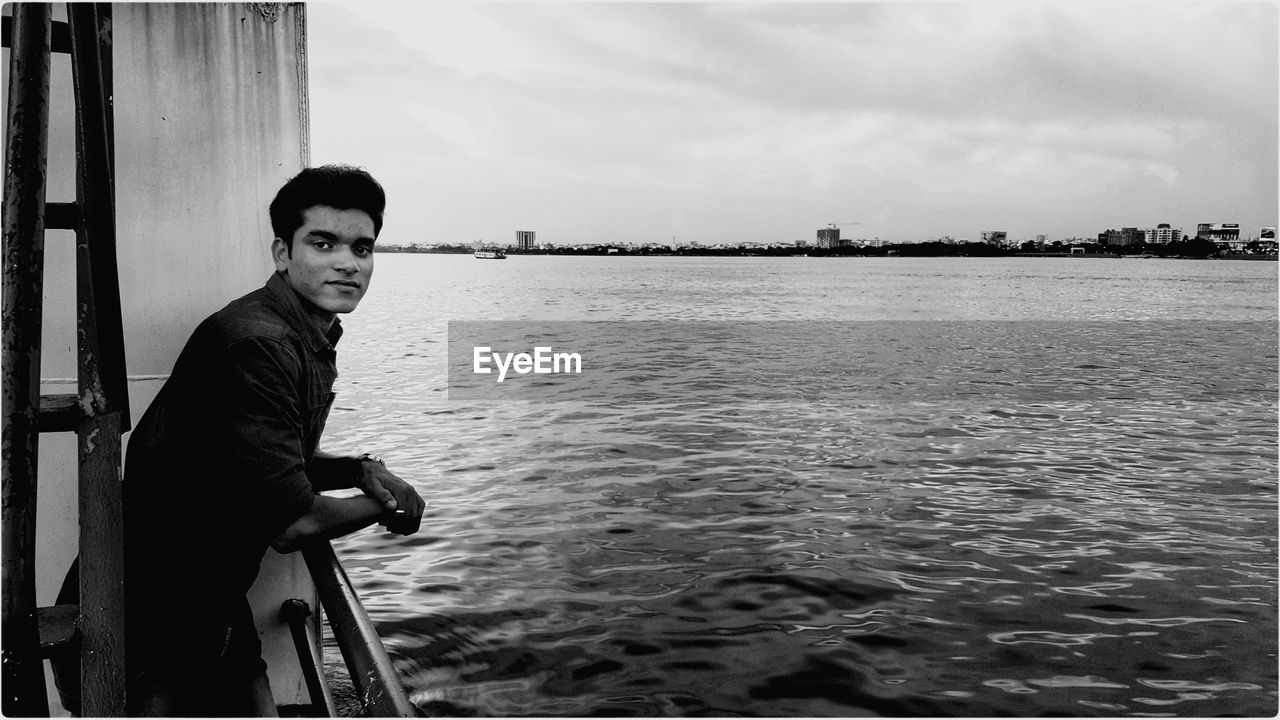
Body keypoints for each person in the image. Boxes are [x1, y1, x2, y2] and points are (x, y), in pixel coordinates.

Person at [53, 165, 425, 716]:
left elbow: (261, 463)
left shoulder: (300, 333)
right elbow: (291, 520)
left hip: (211, 605)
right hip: (141, 623)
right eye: (323, 243)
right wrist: (388, 503)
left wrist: (357, 468)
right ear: (282, 252)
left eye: (362, 248)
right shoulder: (258, 342)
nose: (348, 263)